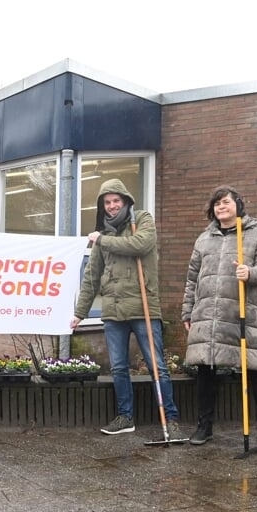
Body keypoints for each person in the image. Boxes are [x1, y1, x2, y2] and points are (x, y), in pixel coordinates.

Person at [71, 179, 186, 437]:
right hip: (113, 310)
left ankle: (171, 419)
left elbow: (140, 245)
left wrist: (102, 240)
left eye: (116, 201)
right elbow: (92, 275)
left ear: (125, 200)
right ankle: (125, 417)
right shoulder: (103, 232)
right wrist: (80, 312)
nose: (112, 206)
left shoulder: (142, 219)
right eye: (107, 202)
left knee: (157, 365)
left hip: (143, 307)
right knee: (119, 367)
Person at [181, 185, 257, 449]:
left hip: (241, 315)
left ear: (238, 205)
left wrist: (250, 273)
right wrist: (187, 310)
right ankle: (204, 427)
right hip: (207, 316)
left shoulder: (256, 235)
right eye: (216, 203)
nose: (221, 207)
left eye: (226, 202)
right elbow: (192, 278)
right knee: (206, 369)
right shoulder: (203, 239)